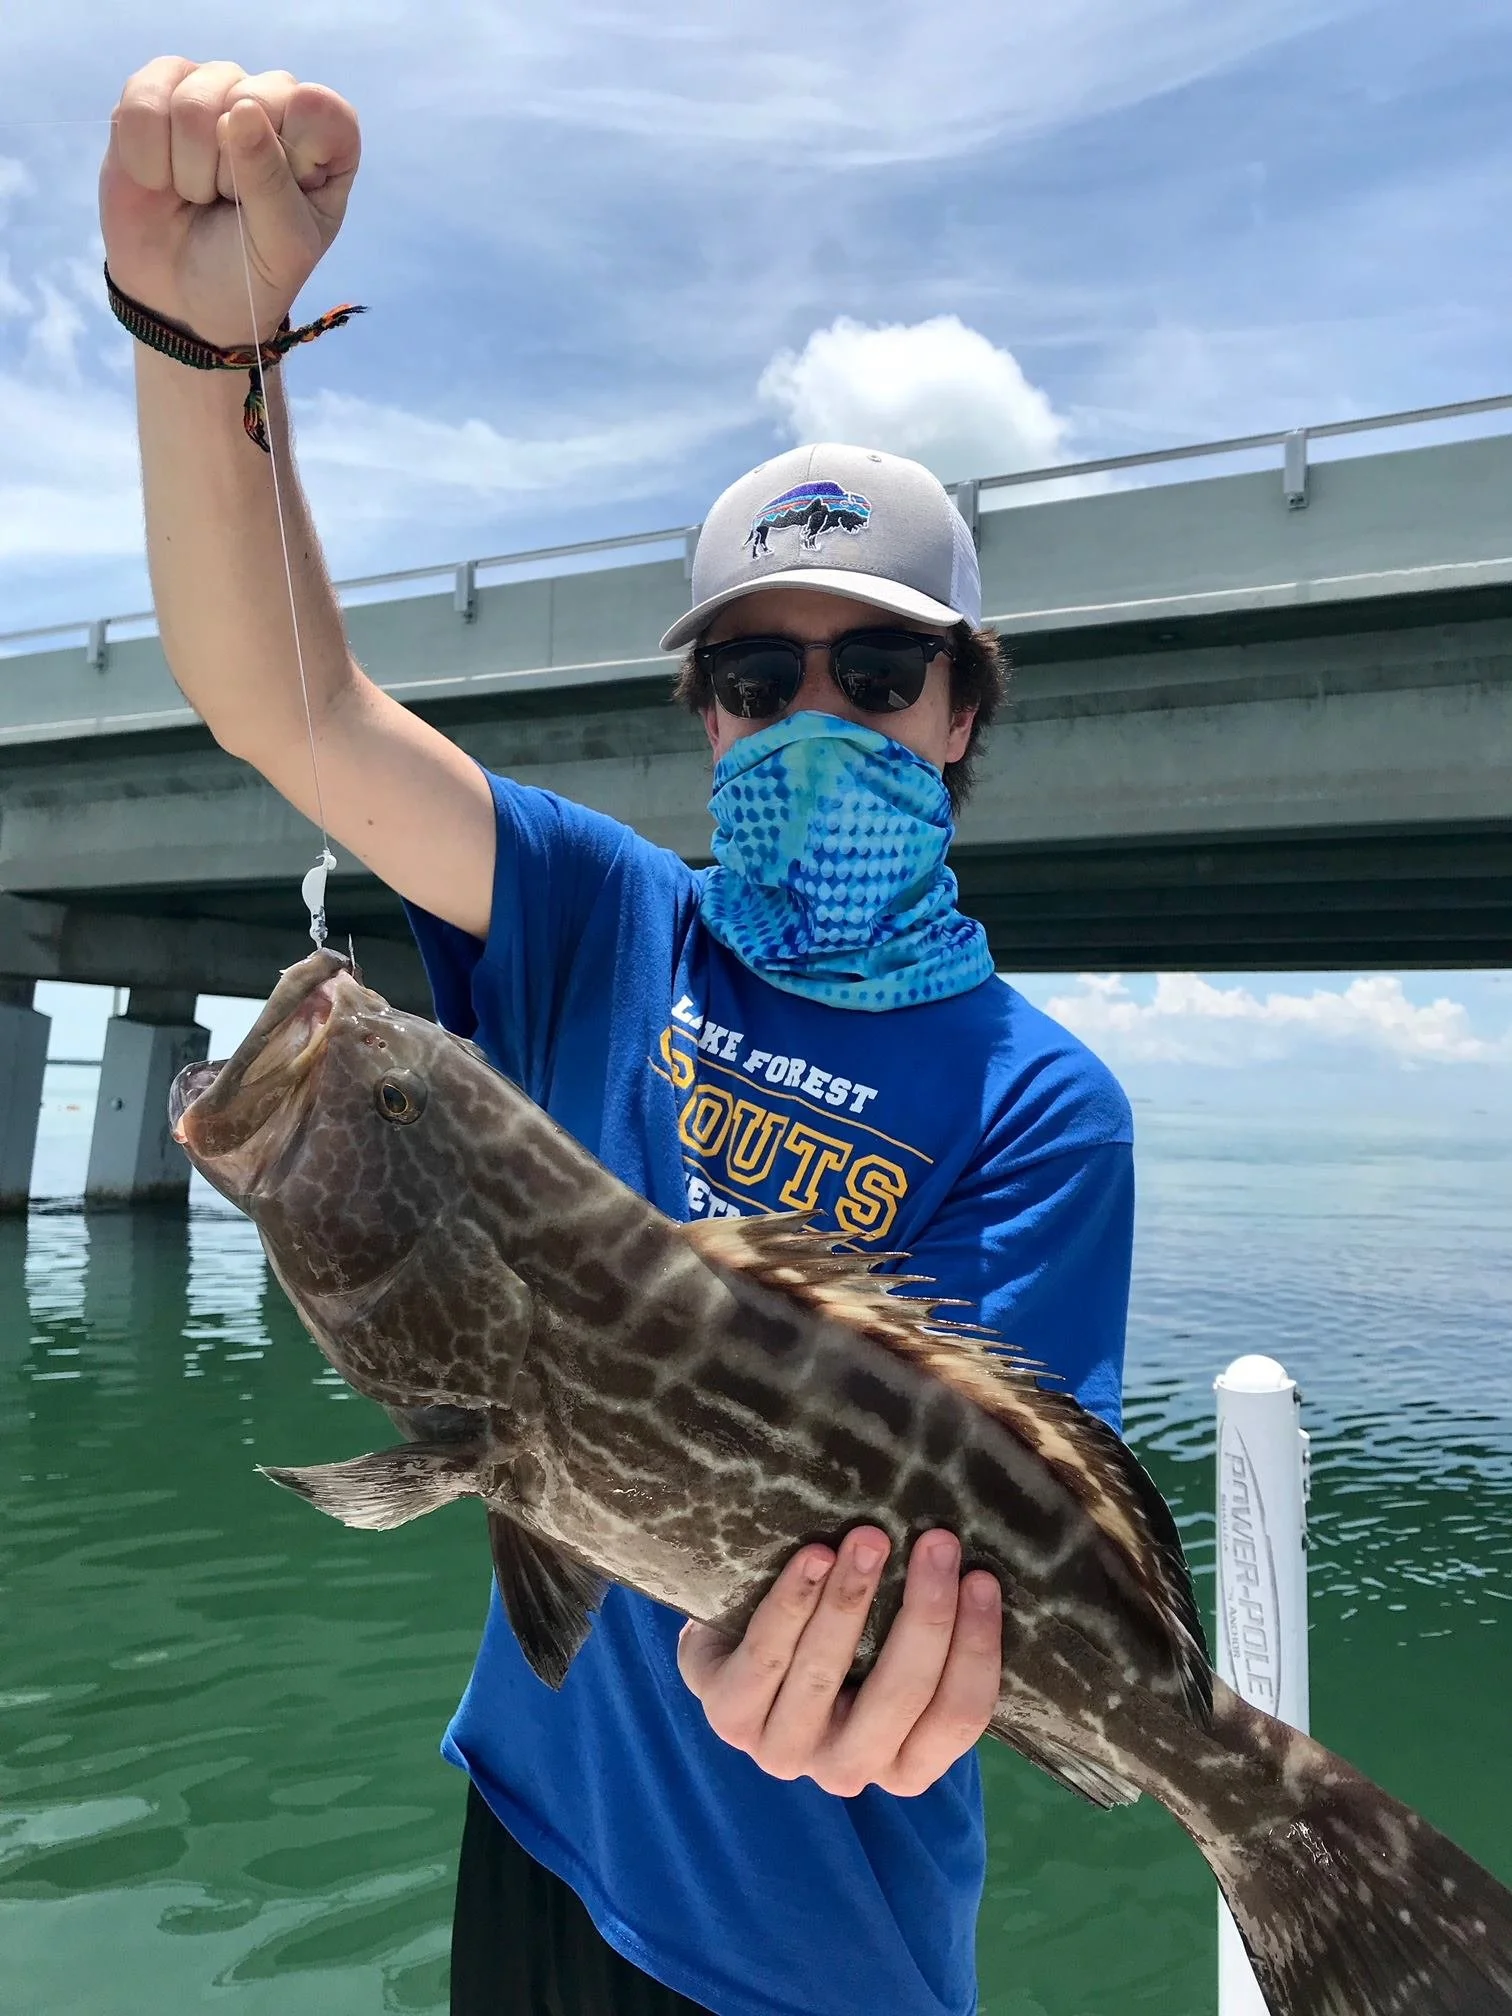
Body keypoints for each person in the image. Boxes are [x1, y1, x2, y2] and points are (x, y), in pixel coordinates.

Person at [101, 59, 1135, 2016]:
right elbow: (286, 704)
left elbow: (998, 1543)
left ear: (965, 711)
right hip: (536, 1832)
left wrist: (882, 1692)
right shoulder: (598, 917)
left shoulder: (1043, 1108)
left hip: (813, 1955)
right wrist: (200, 338)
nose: (816, 713)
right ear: (708, 718)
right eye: (757, 672)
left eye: (881, 666)